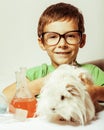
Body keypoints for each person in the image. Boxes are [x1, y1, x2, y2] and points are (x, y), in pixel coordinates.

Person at [2, 2, 104, 104]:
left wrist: (94, 92)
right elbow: (5, 96)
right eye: (53, 37)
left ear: (82, 40)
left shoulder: (92, 72)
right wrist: (44, 82)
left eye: (71, 36)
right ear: (42, 43)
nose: (62, 44)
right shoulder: (37, 74)